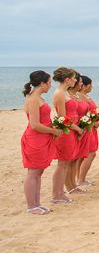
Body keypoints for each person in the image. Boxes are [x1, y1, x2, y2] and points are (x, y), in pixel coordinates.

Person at [21, 70, 60, 214]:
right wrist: (53, 131)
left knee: (39, 171)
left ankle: (36, 203)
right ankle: (31, 206)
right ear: (42, 83)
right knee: (33, 172)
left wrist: (53, 128)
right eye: (49, 83)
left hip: (44, 137)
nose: (50, 86)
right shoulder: (33, 99)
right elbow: (35, 124)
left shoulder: (39, 98)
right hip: (35, 139)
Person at [52, 67, 82, 200]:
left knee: (67, 162)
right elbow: (62, 117)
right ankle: (57, 194)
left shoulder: (66, 93)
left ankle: (61, 192)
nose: (75, 80)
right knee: (62, 164)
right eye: (74, 78)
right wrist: (77, 128)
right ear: (67, 79)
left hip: (72, 131)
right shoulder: (59, 93)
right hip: (67, 132)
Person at [77, 75, 99, 186]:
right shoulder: (80, 97)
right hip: (88, 126)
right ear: (84, 86)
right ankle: (81, 179)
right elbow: (83, 112)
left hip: (92, 127)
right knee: (90, 153)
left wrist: (98, 120)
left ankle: (80, 178)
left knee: (88, 153)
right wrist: (93, 121)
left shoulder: (85, 96)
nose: (92, 86)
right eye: (90, 84)